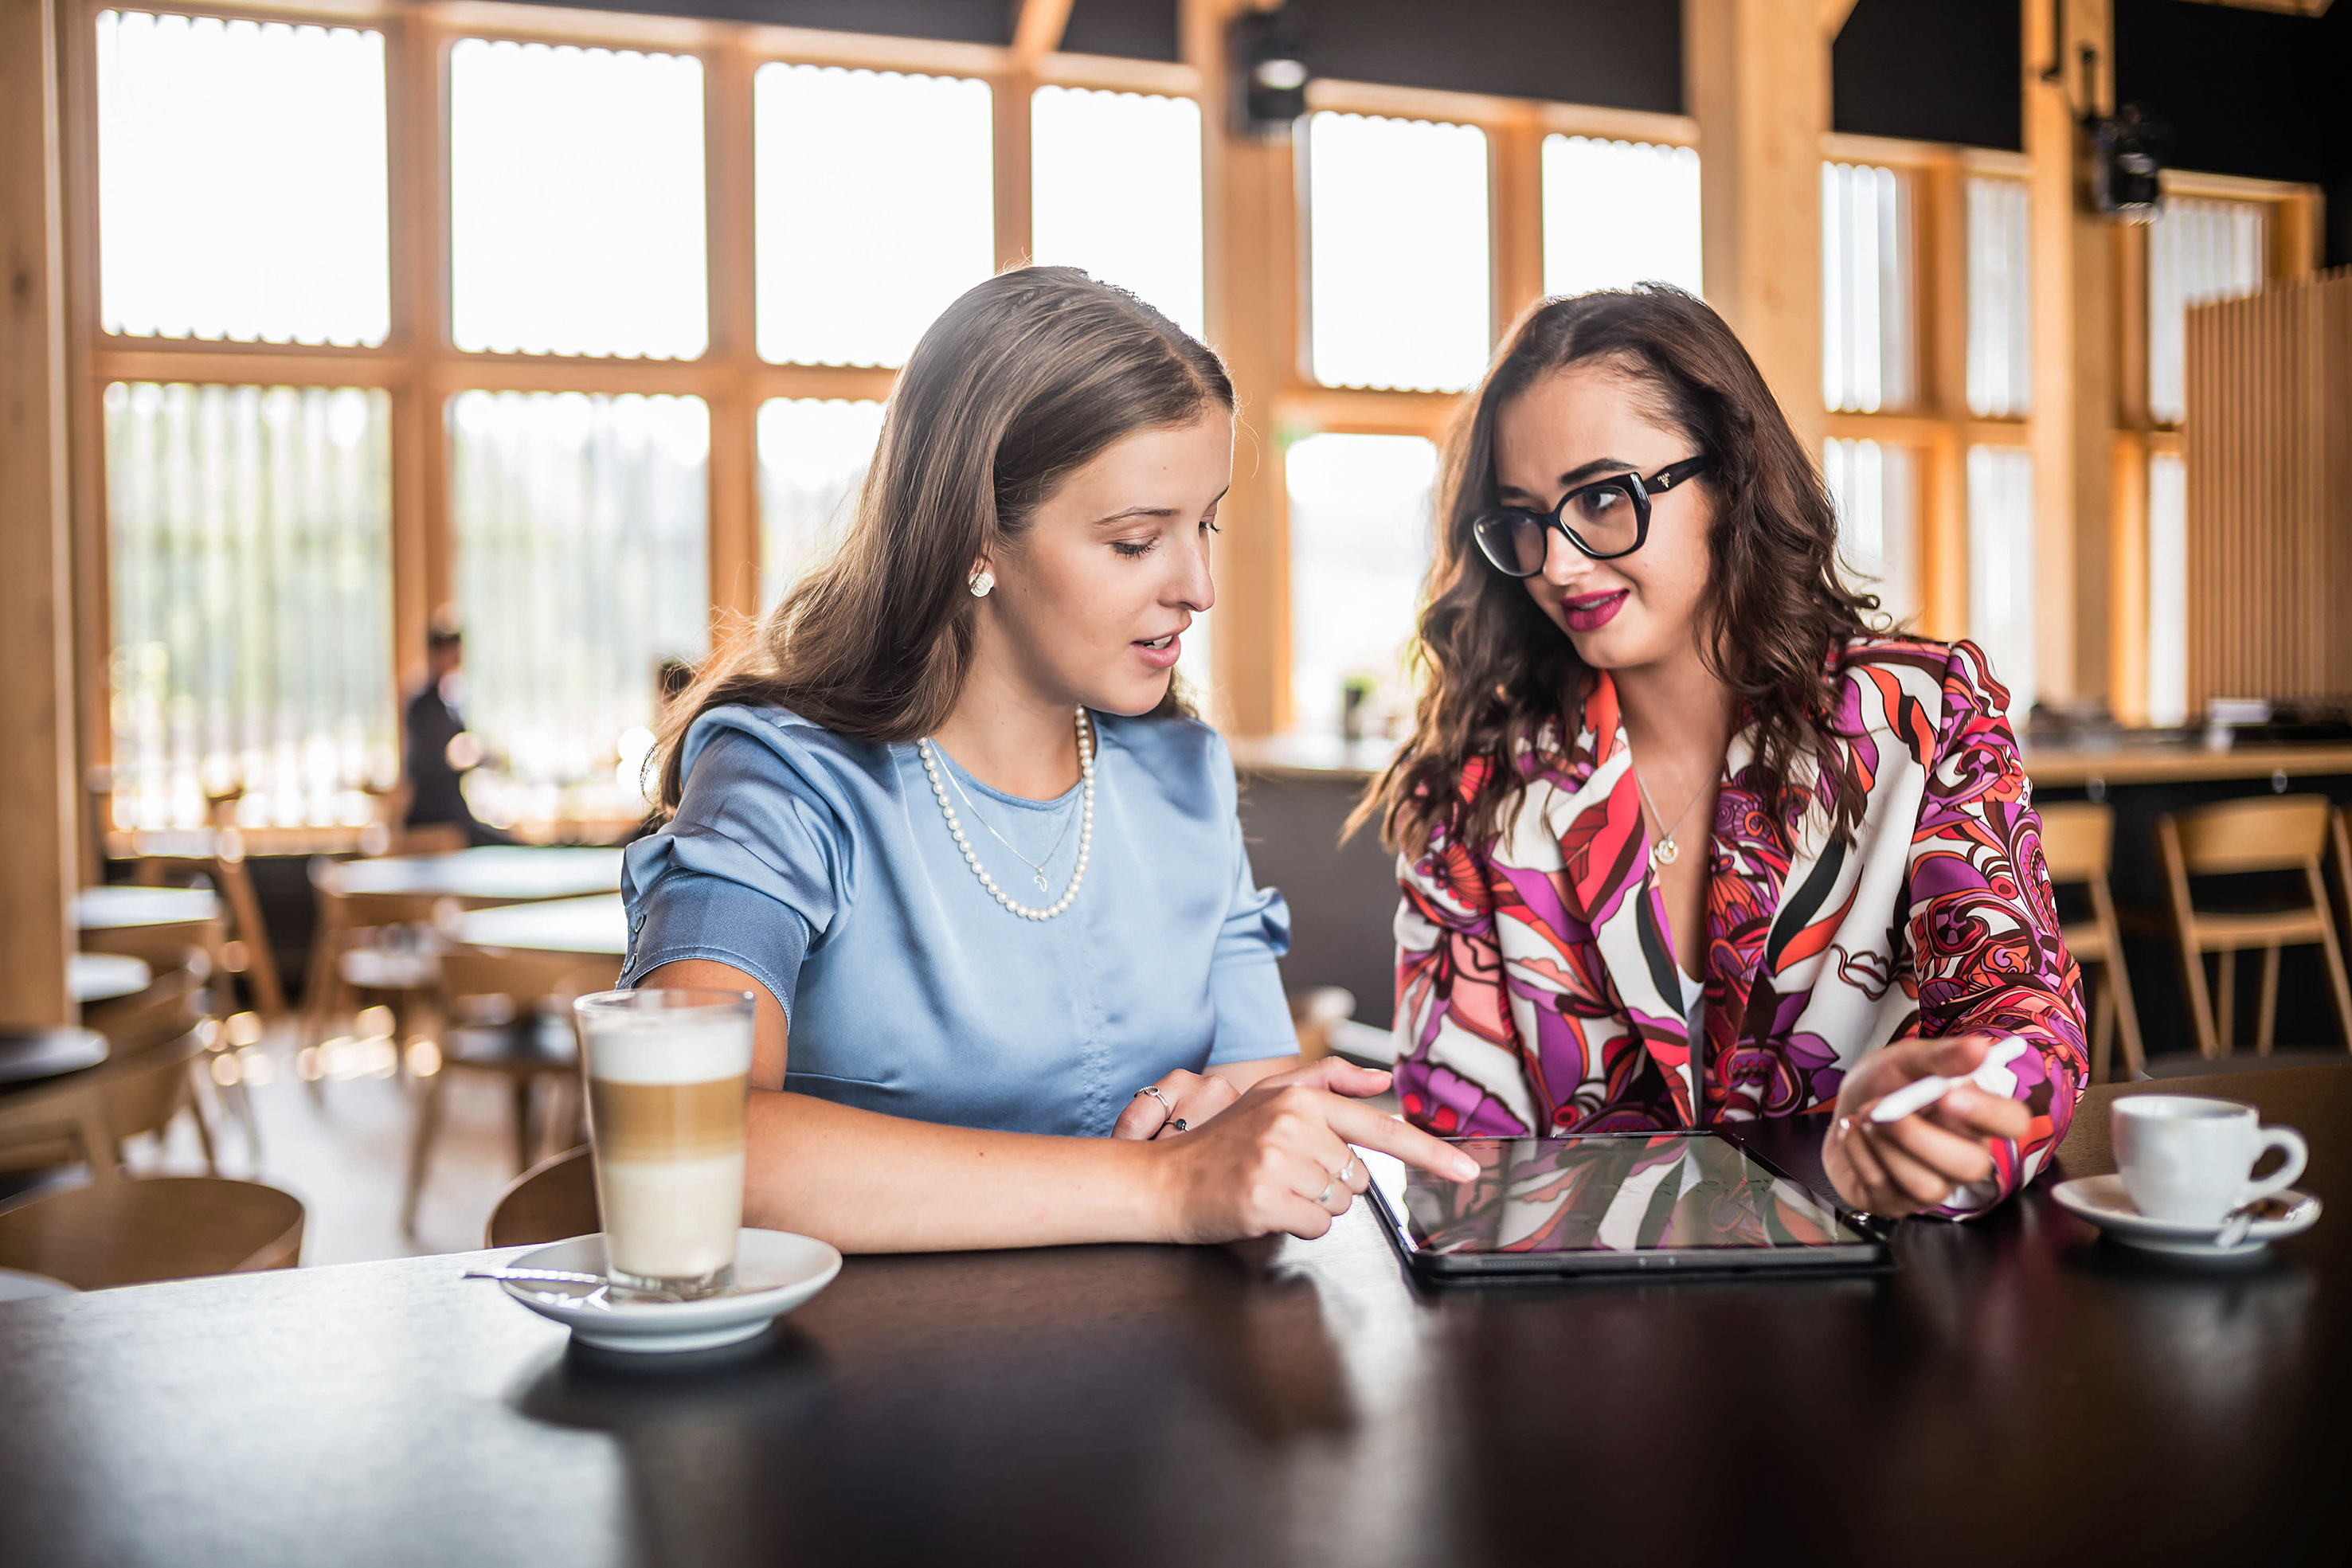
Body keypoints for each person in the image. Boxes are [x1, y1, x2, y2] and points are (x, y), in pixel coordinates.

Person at [623, 267, 1477, 1253]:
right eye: (1133, 541)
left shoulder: (1181, 774)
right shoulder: (784, 778)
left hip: (1159, 1377)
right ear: (977, 535)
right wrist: (1161, 1185)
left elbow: (1259, 1092)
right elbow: (688, 1136)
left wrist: (1248, 1125)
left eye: (1205, 523)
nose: (1198, 585)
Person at [1359, 286, 2088, 1219]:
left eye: (1603, 498)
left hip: (1890, 1311)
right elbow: (1457, 1160)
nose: (1560, 565)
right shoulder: (1475, 793)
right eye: (1525, 519)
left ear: (1729, 475)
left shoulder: (1920, 714)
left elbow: (2021, 1017)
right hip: (1589, 1333)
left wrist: (1946, 1116)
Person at [401, 621, 511, 847]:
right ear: (437, 654)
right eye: (453, 653)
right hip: (436, 815)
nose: (459, 661)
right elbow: (435, 762)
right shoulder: (423, 707)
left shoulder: (448, 705)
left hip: (454, 811)